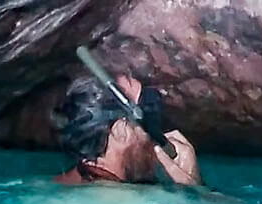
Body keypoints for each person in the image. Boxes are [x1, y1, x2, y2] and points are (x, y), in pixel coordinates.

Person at [53, 70, 202, 187]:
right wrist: (193, 187)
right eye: (147, 106)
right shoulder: (131, 202)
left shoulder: (58, 184)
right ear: (121, 130)